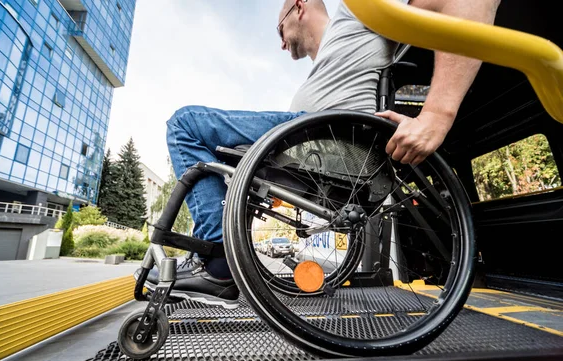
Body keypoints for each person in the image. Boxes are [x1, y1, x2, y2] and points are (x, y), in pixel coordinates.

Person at [137, 0, 501, 309]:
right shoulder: (333, 57)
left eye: (279, 31)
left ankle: (216, 261)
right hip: (311, 152)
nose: (281, 45)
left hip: (336, 148)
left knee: (185, 124)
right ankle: (212, 255)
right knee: (212, 154)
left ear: (298, 6)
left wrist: (437, 115)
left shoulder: (354, 11)